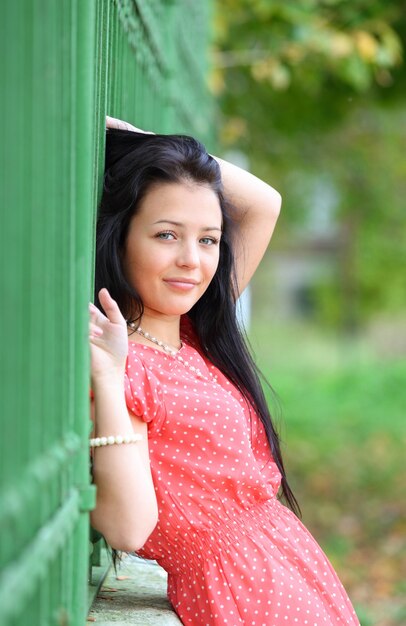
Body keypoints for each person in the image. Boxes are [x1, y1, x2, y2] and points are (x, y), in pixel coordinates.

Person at [89, 116, 360, 626]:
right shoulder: (126, 364)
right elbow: (127, 529)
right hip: (238, 593)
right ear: (120, 235)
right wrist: (107, 380)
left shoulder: (193, 332)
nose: (191, 261)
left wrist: (148, 147)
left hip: (292, 570)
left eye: (208, 240)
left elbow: (264, 204)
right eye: (166, 235)